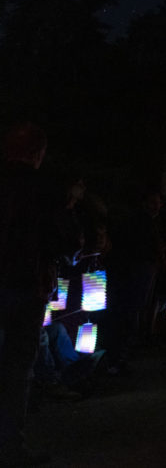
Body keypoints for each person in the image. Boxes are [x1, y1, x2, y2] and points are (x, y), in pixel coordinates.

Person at [0, 122, 70, 465]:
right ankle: (10, 446)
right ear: (38, 153)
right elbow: (61, 239)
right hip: (26, 286)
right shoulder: (43, 190)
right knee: (16, 367)